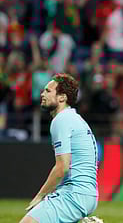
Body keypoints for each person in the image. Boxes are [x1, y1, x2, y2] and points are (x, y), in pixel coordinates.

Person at [20, 73, 99, 223]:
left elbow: (62, 167)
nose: (42, 94)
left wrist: (40, 196)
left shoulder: (61, 120)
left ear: (62, 97)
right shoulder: (75, 118)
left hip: (73, 195)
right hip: (88, 195)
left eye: (48, 91)